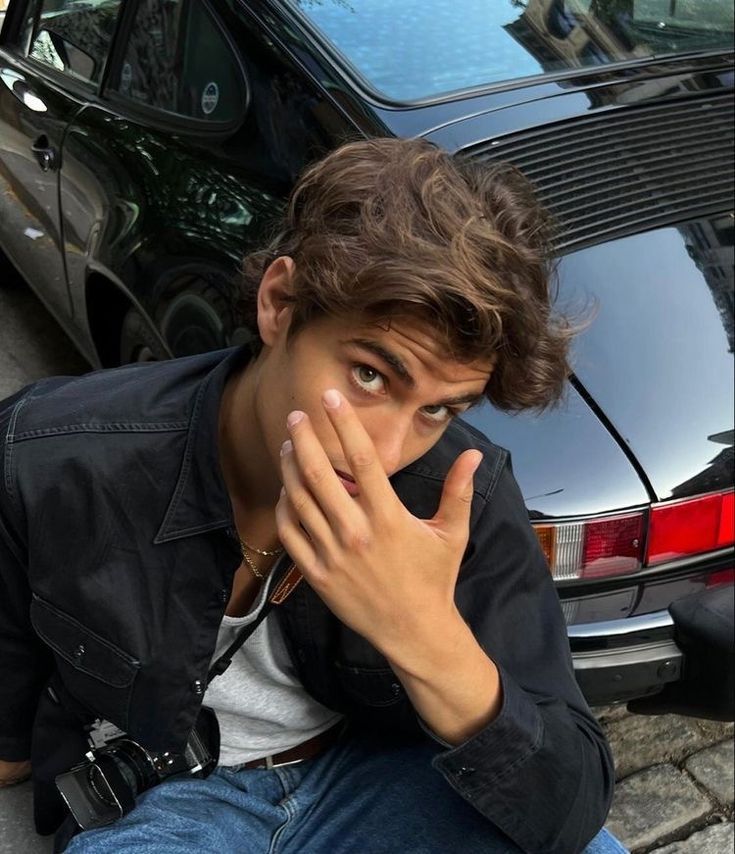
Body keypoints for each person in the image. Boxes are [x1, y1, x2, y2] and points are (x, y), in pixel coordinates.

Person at [0, 138, 626, 854]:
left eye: (437, 409)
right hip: (171, 800)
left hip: (379, 772)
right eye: (369, 376)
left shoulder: (458, 493)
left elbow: (568, 806)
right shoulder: (52, 456)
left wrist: (422, 631)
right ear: (278, 304)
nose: (387, 452)